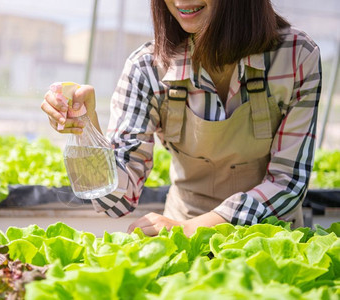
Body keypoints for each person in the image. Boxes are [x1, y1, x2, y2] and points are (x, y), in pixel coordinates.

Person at [41, 0, 322, 237]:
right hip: (181, 241)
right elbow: (118, 202)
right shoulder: (147, 68)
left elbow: (288, 183)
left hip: (268, 241)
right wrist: (85, 128)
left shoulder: (296, 56)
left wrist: (192, 229)